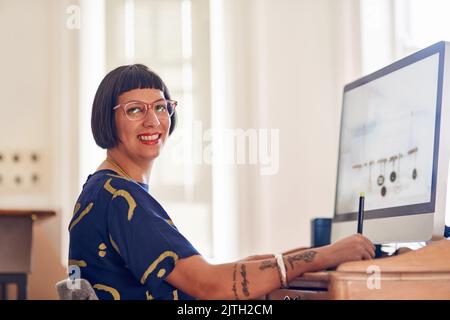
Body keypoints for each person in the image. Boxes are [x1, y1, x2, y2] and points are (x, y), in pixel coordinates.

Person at [68, 64, 375, 300]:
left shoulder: (101, 188)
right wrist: (323, 256)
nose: (153, 120)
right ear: (108, 119)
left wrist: (305, 256)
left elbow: (198, 276)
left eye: (160, 107)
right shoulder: (121, 199)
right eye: (135, 109)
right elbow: (207, 284)